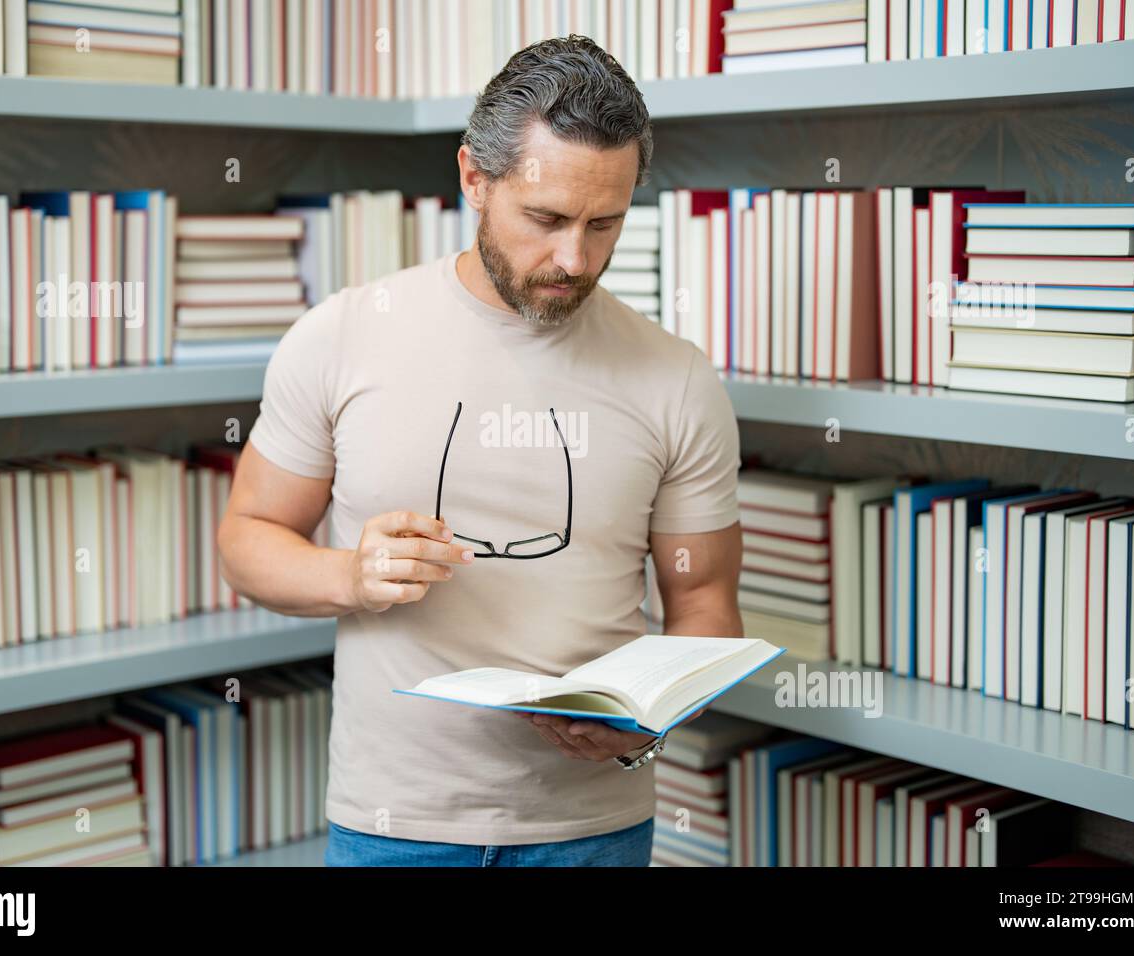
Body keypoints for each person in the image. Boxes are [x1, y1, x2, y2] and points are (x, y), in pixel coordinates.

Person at [217, 34, 742, 867]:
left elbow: (705, 604)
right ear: (474, 178)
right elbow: (247, 540)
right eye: (546, 219)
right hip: (395, 825)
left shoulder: (676, 377)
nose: (574, 259)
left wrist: (647, 722)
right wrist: (349, 575)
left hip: (591, 832)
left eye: (604, 224)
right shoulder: (343, 335)